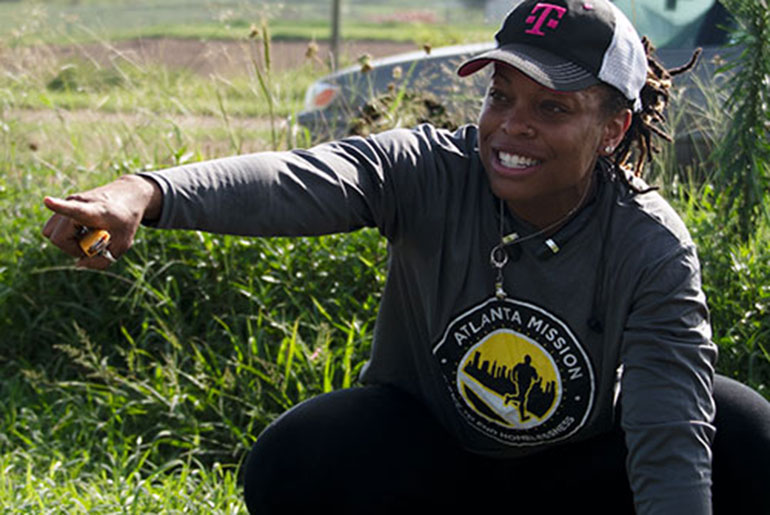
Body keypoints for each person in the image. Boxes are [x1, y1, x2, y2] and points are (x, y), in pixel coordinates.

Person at [42, 0, 770, 513]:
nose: (512, 126)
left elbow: (666, 429)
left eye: (552, 108)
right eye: (502, 95)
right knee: (298, 455)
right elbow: (303, 179)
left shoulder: (648, 241)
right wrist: (143, 192)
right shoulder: (430, 169)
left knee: (743, 431)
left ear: (611, 131)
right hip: (433, 460)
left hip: (574, 474)